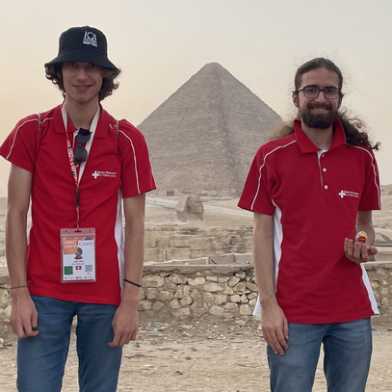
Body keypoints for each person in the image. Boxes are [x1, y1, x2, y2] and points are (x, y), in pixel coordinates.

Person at [0, 26, 156, 391]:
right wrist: (19, 294)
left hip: (104, 295)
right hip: (43, 292)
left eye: (91, 66)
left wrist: (130, 302)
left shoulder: (126, 140)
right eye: (73, 66)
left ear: (104, 75)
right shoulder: (31, 131)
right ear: (59, 72)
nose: (82, 76)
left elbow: (135, 224)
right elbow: (16, 214)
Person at [238, 58, 381, 392]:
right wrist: (269, 305)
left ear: (340, 97)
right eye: (311, 90)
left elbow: (365, 224)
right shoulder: (270, 156)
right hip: (292, 311)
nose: (320, 97)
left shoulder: (361, 158)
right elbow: (261, 234)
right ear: (296, 97)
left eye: (329, 90)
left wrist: (362, 241)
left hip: (351, 310)